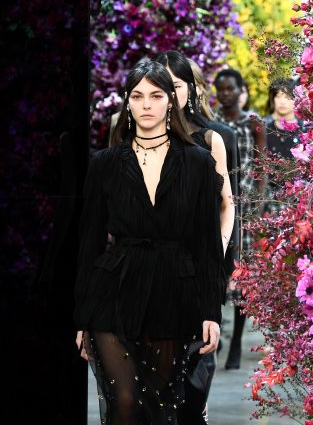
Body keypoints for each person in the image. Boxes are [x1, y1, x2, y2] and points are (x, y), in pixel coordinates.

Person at [75, 58, 226, 424]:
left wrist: (211, 312)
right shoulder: (105, 163)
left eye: (155, 95)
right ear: (127, 102)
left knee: (162, 407)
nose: (146, 104)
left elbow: (207, 243)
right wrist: (80, 318)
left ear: (170, 102)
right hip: (114, 289)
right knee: (124, 402)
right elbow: (89, 242)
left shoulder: (198, 163)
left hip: (175, 292)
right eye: (137, 96)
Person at [155, 50, 239, 421]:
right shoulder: (131, 139)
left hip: (200, 269)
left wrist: (219, 254)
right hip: (148, 269)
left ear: (190, 89)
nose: (169, 97)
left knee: (195, 376)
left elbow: (227, 205)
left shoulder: (211, 139)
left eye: (175, 87)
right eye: (160, 88)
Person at [214, 67, 266, 369]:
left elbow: (261, 164)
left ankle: (235, 344)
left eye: (230, 88)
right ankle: (217, 332)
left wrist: (258, 203)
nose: (225, 94)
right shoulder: (213, 123)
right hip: (219, 203)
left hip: (245, 204)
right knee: (219, 269)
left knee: (242, 274)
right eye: (220, 89)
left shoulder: (252, 122)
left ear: (240, 89)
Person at [263, 77, 303, 215]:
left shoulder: (305, 130)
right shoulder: (264, 130)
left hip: (299, 201)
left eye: (287, 97)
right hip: (271, 202)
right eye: (278, 96)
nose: (282, 101)